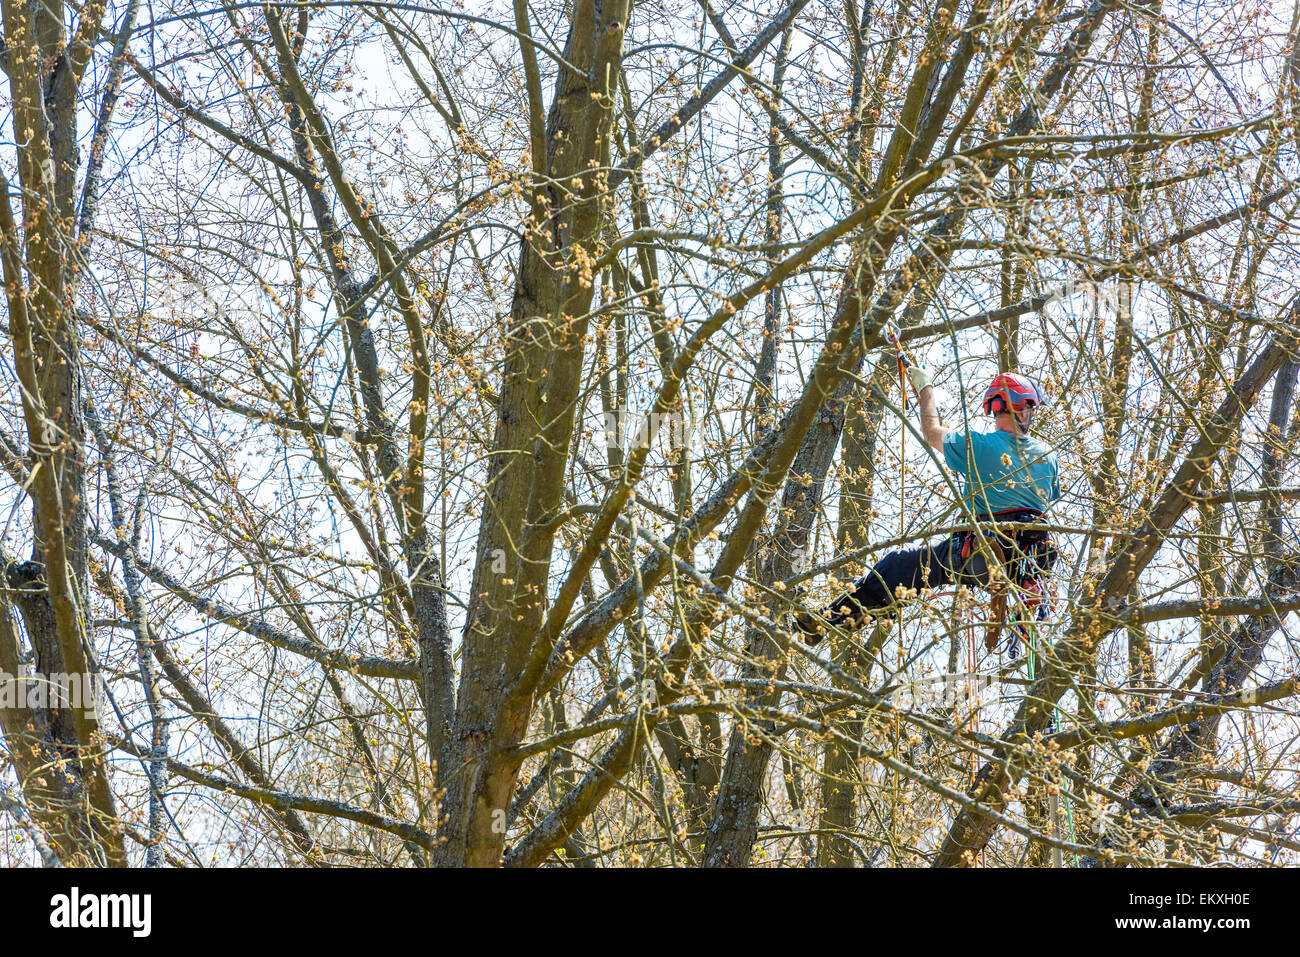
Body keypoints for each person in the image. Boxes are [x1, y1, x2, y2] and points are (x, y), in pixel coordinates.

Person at [794, 365, 1061, 646]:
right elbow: (1045, 497)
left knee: (896, 568)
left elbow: (932, 431)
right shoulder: (1048, 458)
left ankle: (828, 622)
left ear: (996, 408)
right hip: (1032, 562)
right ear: (1021, 409)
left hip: (982, 556)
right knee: (912, 569)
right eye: (1029, 409)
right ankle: (1028, 609)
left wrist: (925, 389)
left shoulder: (979, 447)